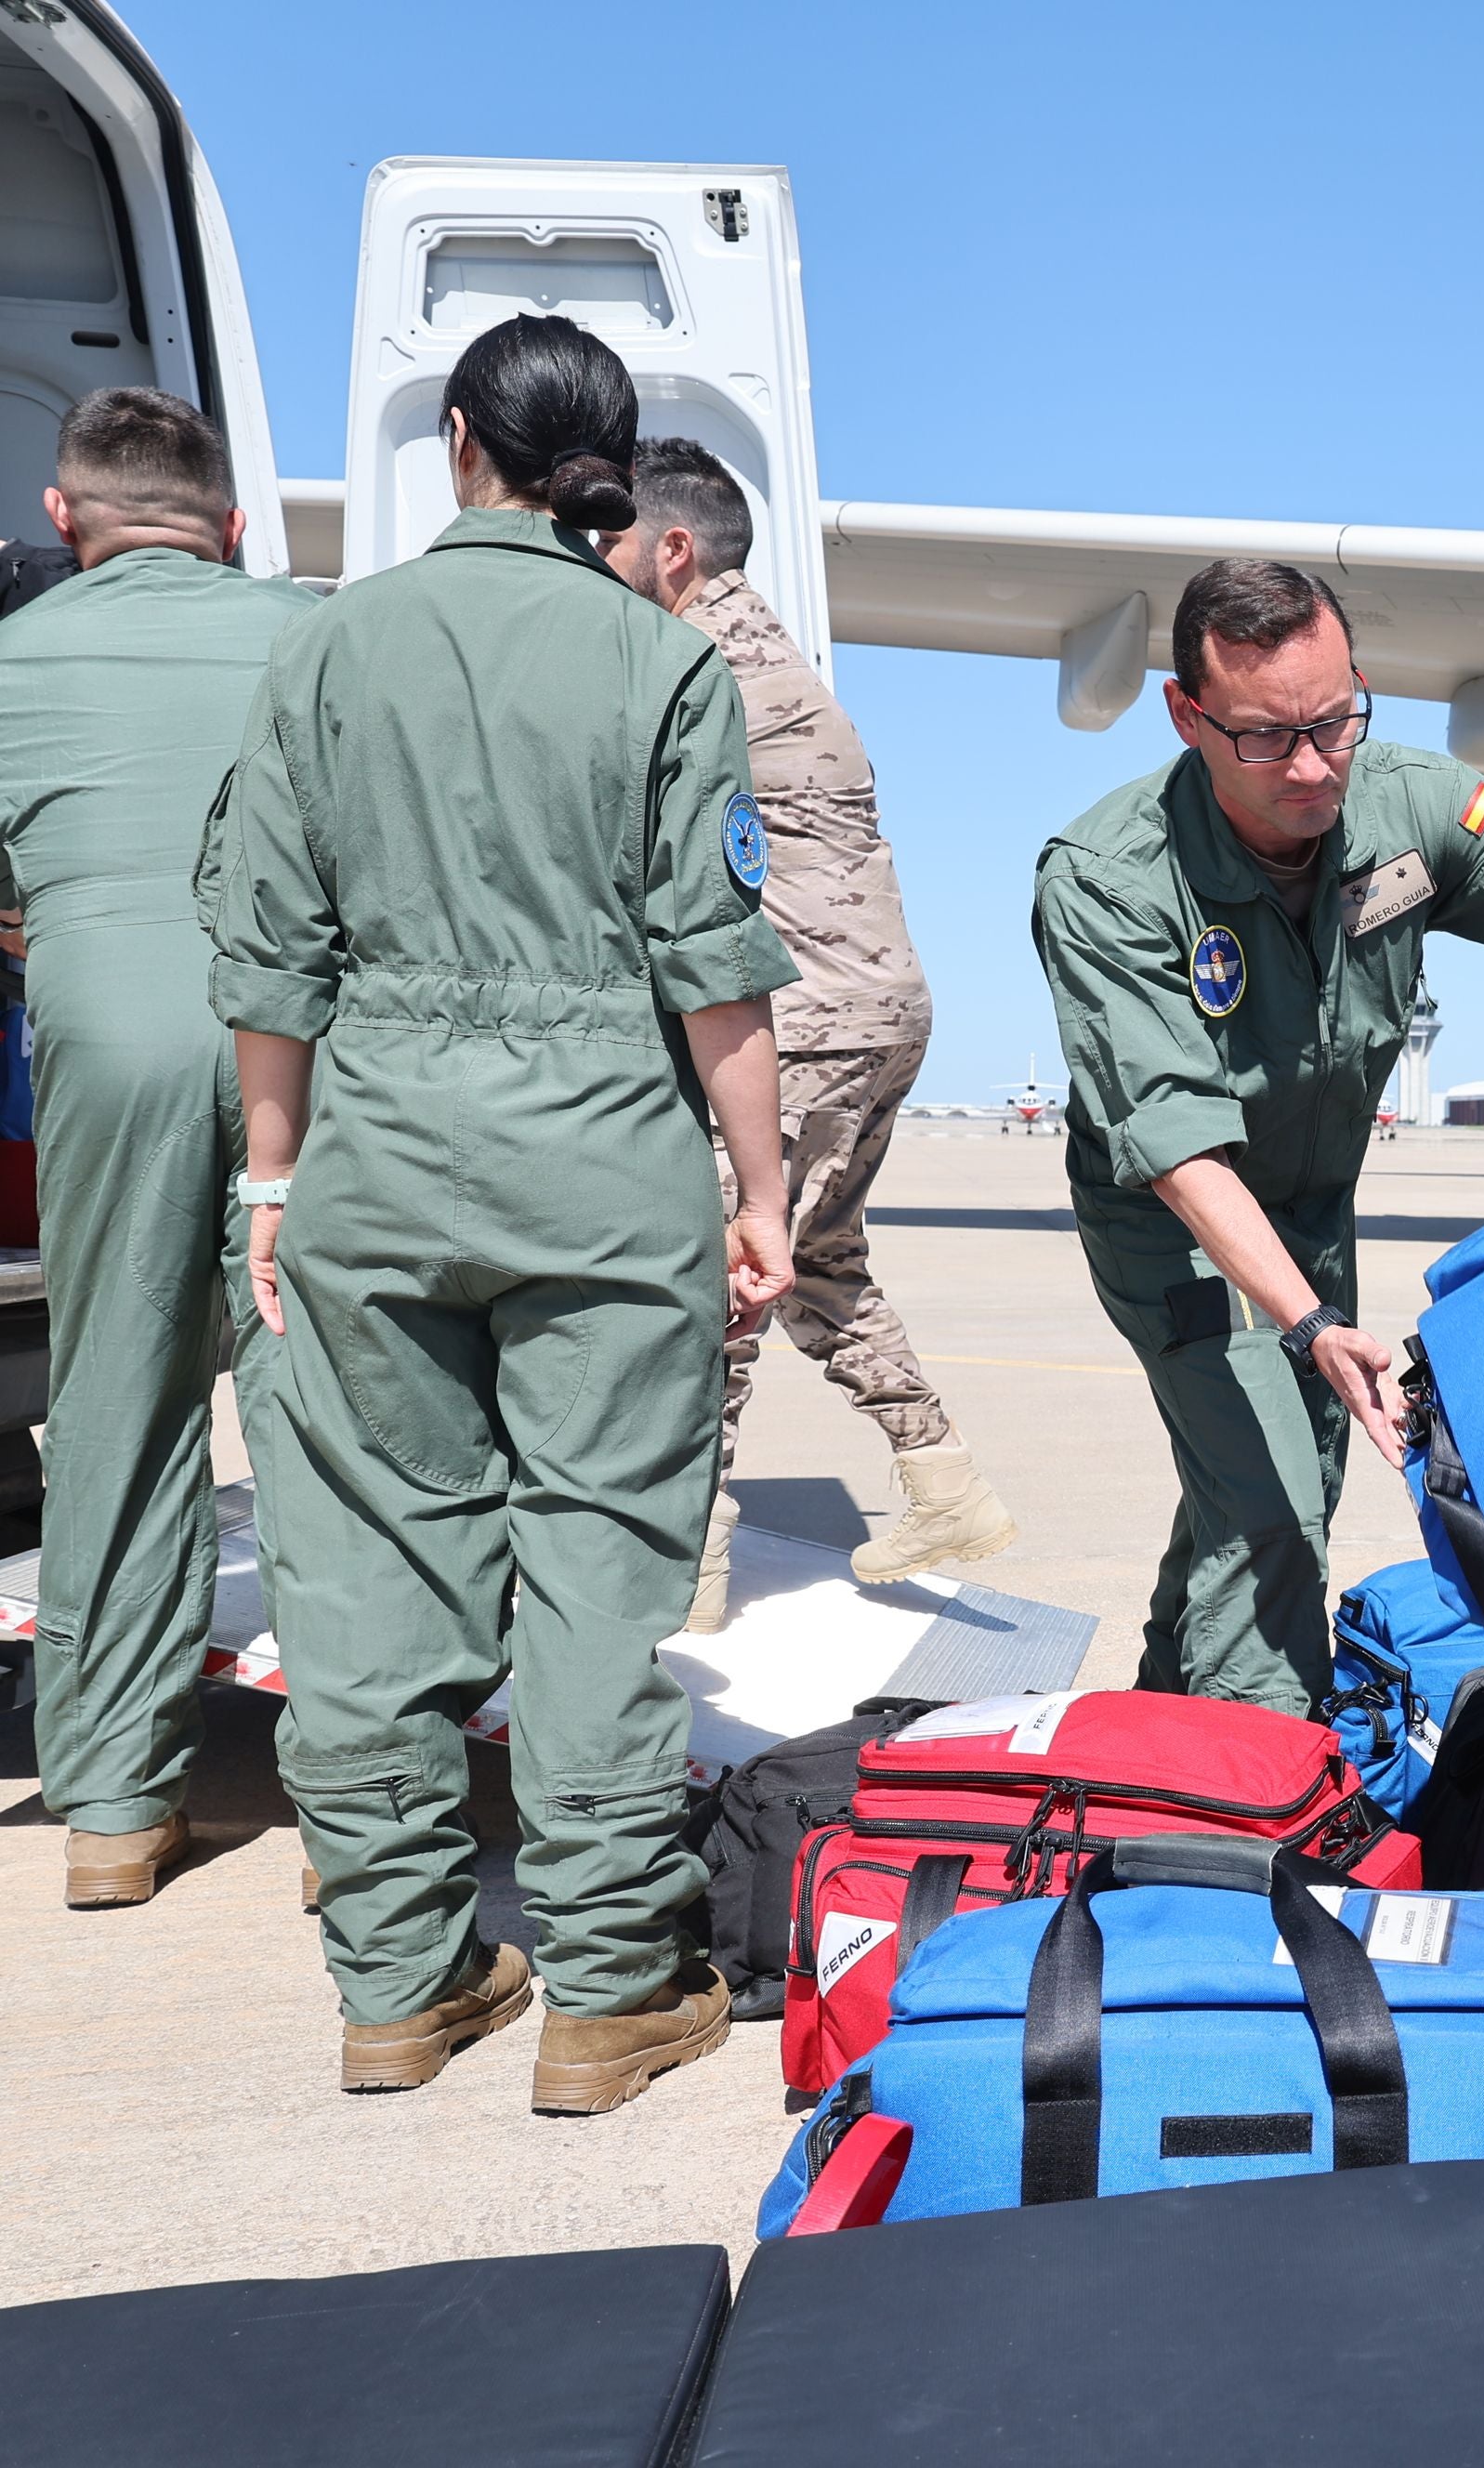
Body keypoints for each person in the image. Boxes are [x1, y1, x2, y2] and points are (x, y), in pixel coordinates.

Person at [199, 313, 796, 2108]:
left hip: (375, 1156)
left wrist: (273, 1177)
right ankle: (610, 1993)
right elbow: (721, 971)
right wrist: (760, 1193)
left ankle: (400, 1982)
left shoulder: (327, 649)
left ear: (458, 442)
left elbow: (267, 947)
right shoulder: (663, 664)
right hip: (603, 1167)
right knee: (595, 1578)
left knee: (371, 1574)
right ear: (605, 462)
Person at [1031, 558, 1484, 1714]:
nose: (1316, 764)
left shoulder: (1406, 805)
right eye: (1269, 738)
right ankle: (1257, 1828)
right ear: (1188, 716)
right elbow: (1178, 1147)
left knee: (1273, 1488)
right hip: (1176, 1224)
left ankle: (1150, 1758)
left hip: (1314, 1206)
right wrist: (1314, 1321)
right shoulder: (1108, 878)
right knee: (1273, 1502)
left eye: (1337, 722)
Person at [604, 438, 1018, 1629]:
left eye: (611, 538)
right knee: (819, 1259)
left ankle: (690, 1565)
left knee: (727, 1273)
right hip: (877, 1008)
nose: (596, 561)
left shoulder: (692, 666)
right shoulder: (776, 657)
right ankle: (945, 1481)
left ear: (671, 549)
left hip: (813, 1019)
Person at [0, 389, 311, 1910]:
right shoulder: (313, 636)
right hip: (304, 1069)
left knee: (117, 1404)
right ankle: (363, 1807)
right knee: (324, 1414)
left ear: (63, 521)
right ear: (234, 527)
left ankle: (115, 1806)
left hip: (106, 1060)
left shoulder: (11, 657)